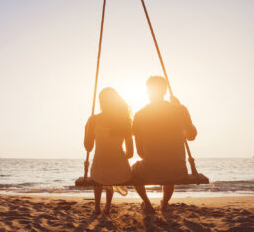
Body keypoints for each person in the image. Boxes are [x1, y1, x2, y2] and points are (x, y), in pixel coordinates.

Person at [132, 76, 197, 214]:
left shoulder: (140, 115)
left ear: (148, 91)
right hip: (178, 170)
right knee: (170, 168)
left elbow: (140, 152)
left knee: (133, 172)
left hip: (151, 169)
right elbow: (191, 136)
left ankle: (148, 204)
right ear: (165, 90)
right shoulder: (180, 110)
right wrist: (180, 108)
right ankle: (165, 204)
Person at [84, 87, 133, 215]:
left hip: (99, 169)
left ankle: (97, 207)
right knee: (109, 170)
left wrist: (87, 130)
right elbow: (130, 153)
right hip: (121, 171)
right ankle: (107, 207)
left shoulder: (93, 120)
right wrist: (118, 158)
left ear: (101, 102)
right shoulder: (125, 121)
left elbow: (88, 148)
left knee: (100, 170)